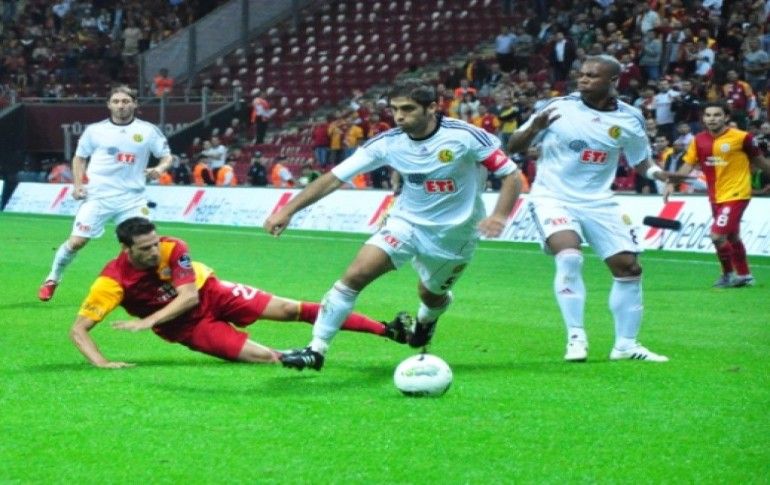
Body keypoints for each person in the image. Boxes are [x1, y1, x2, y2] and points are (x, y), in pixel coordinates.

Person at [264, 81, 523, 371]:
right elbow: (334, 178)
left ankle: (426, 320)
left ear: (432, 108)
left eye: (408, 109)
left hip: (455, 235)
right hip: (405, 223)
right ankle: (316, 350)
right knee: (355, 276)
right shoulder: (387, 143)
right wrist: (288, 210)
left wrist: (500, 215)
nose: (399, 116)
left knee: (431, 294)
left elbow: (512, 175)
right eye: (395, 109)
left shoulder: (465, 137)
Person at [507, 55, 690, 363]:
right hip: (552, 196)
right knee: (569, 256)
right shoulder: (558, 107)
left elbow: (641, 161)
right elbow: (513, 146)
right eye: (582, 73)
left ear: (613, 81)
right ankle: (576, 336)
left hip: (598, 201)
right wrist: (534, 127)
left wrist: (659, 175)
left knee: (628, 268)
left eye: (592, 75)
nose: (583, 79)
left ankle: (626, 346)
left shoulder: (630, 118)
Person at [70, 218, 408, 368]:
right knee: (264, 358)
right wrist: (102, 363)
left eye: (155, 243)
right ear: (126, 249)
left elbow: (188, 295)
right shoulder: (112, 281)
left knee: (291, 309)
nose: (155, 251)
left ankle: (387, 329)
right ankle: (300, 357)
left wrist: (148, 321)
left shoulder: (174, 247)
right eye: (145, 248)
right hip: (189, 328)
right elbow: (78, 330)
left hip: (211, 292)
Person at [38, 85, 173, 302]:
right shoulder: (95, 131)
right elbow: (80, 158)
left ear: (135, 104)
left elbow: (166, 156)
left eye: (126, 101)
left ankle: (151, 288)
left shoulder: (148, 131)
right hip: (98, 197)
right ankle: (53, 278)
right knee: (77, 242)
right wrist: (77, 185)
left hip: (132, 199)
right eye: (116, 101)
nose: (121, 106)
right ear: (109, 105)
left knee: (144, 244)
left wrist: (160, 168)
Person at [664, 102, 770, 288]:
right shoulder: (698, 140)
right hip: (715, 196)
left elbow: (761, 162)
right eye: (708, 115)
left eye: (717, 115)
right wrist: (671, 183)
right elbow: (687, 166)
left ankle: (728, 274)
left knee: (717, 236)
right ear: (703, 118)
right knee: (732, 237)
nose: (712, 119)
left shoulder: (742, 137)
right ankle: (745, 276)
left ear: (726, 117)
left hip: (737, 193)